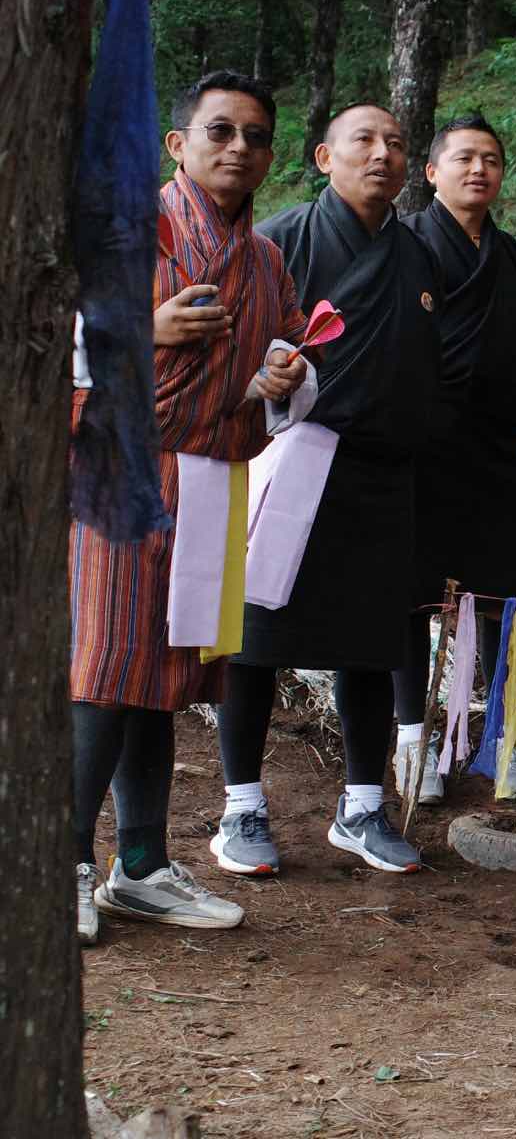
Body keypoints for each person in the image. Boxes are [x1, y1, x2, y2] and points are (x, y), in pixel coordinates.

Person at [70, 70, 313, 941]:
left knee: (166, 678)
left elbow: (285, 359)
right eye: (221, 131)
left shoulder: (267, 258)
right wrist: (146, 329)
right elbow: (44, 331)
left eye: (254, 136)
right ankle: (55, 866)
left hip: (212, 474)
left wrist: (285, 377)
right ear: (179, 144)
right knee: (103, 670)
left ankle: (139, 866)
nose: (238, 148)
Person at [210, 102, 443, 877]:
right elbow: (234, 354)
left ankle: (363, 807)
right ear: (322, 157)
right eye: (364, 142)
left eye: (397, 144)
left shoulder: (416, 256)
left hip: (385, 474)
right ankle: (241, 809)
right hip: (294, 461)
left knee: (370, 648)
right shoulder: (281, 239)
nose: (383, 155)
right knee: (253, 643)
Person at [393, 113, 516, 805]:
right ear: (432, 171)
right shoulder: (404, 245)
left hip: (495, 455)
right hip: (418, 450)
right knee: (411, 602)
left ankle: (500, 739)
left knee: (506, 602)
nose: (479, 170)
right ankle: (413, 740)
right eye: (464, 158)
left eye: (492, 160)